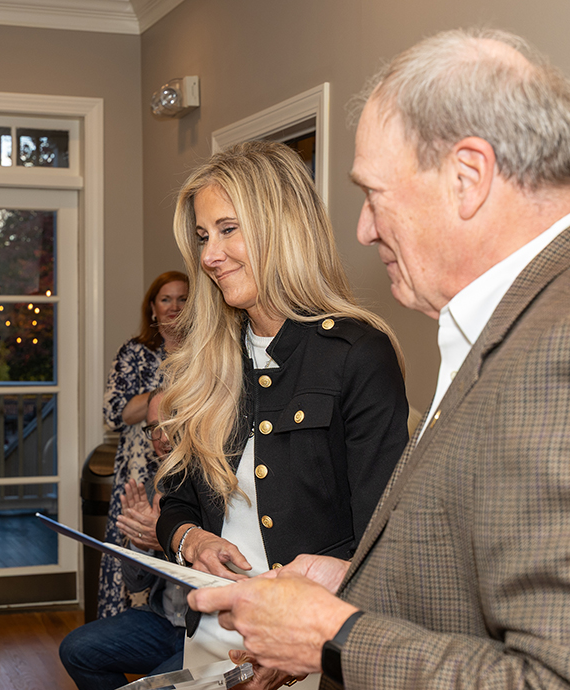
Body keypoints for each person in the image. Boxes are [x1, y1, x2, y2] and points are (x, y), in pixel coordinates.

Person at [189, 28, 570, 689]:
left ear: (467, 177)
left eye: (374, 195)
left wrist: (333, 639)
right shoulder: (545, 318)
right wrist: (356, 585)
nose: (363, 228)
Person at [154, 140, 409, 686]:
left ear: (282, 226)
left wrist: (306, 645)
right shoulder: (205, 363)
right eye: (202, 237)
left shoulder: (356, 355)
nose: (208, 256)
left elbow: (383, 549)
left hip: (313, 657)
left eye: (228, 229)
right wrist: (190, 541)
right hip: (209, 648)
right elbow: (175, 507)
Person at [60, 390, 188, 689]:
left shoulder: (218, 488)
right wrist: (140, 544)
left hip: (204, 631)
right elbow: (135, 584)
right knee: (76, 650)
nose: (162, 437)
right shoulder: (150, 489)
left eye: (171, 423)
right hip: (161, 619)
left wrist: (168, 539)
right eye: (153, 428)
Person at [98, 271, 188, 618]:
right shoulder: (135, 352)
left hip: (185, 463)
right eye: (166, 299)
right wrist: (162, 393)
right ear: (152, 307)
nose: (174, 307)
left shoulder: (207, 350)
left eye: (182, 299)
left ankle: (171, 623)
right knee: (133, 544)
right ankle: (123, 631)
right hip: (139, 467)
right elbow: (115, 412)